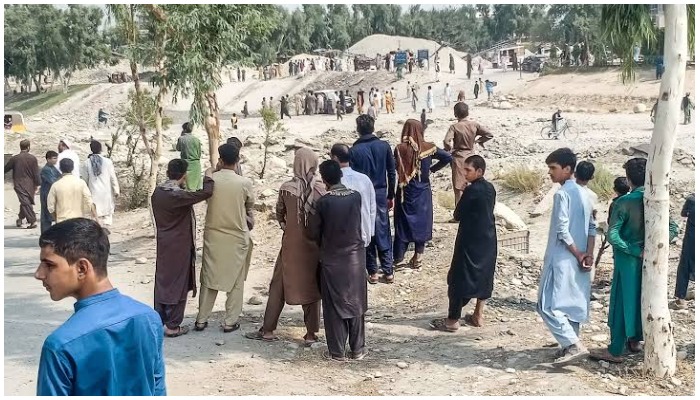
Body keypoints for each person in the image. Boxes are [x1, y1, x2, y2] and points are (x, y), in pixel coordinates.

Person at [35, 218, 166, 396]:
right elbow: (158, 389)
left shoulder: (60, 346)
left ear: (82, 268)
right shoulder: (149, 318)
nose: (39, 274)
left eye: (49, 265)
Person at [590, 158, 678, 363]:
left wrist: (634, 250)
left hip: (627, 261)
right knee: (644, 299)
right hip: (651, 262)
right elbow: (673, 229)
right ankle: (636, 342)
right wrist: (653, 249)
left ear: (628, 179)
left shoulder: (624, 202)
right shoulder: (657, 199)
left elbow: (613, 235)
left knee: (622, 301)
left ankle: (615, 350)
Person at [245, 148, 325, 344]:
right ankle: (311, 333)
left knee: (278, 286)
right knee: (312, 288)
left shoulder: (286, 188)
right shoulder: (322, 189)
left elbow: (280, 214)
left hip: (290, 245)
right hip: (314, 247)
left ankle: (268, 330)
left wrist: (289, 228)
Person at [537, 148, 597, 366]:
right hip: (579, 256)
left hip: (561, 256)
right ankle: (569, 346)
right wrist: (587, 253)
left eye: (553, 168)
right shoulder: (586, 194)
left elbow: (562, 231)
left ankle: (572, 345)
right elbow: (592, 227)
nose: (550, 173)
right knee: (571, 304)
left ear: (568, 169)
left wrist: (578, 252)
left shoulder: (562, 194)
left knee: (546, 305)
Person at [306, 160, 367, 361]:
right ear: (340, 176)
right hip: (356, 259)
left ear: (323, 180)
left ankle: (337, 351)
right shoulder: (355, 197)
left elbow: (312, 233)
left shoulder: (323, 202)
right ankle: (357, 349)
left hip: (332, 260)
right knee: (356, 304)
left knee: (333, 307)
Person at [430, 155, 496, 331]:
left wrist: (465, 192)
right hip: (488, 239)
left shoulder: (472, 190)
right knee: (484, 276)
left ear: (479, 171)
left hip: (469, 240)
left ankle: (452, 320)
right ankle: (478, 315)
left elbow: (458, 214)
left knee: (459, 278)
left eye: (468, 170)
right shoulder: (490, 188)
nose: (464, 173)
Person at [195, 144, 255, 333]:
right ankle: (230, 321)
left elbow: (205, 193)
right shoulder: (244, 183)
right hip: (237, 237)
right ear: (238, 161)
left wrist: (210, 170)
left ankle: (201, 319)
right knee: (236, 280)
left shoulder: (211, 180)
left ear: (220, 160)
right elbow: (249, 206)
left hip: (213, 236)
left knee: (209, 277)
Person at [151, 160, 214, 337]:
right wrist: (208, 176)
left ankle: (159, 319)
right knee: (177, 284)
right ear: (184, 175)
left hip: (163, 244)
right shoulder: (176, 196)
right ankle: (172, 325)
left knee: (163, 281)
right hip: (179, 247)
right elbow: (206, 193)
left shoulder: (158, 192)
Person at [393, 120, 452, 270]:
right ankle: (418, 257)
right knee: (422, 222)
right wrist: (431, 169)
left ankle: (399, 259)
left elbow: (395, 167)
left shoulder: (400, 149)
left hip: (405, 192)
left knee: (403, 223)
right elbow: (447, 157)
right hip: (423, 190)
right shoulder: (429, 147)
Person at [349, 115, 396, 284]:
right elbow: (392, 172)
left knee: (366, 229)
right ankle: (388, 270)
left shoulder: (354, 151)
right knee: (383, 229)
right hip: (381, 192)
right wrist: (391, 194)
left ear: (358, 129)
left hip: (362, 194)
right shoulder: (384, 146)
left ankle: (373, 272)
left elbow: (352, 177)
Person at [444, 103, 494, 210]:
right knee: (472, 186)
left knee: (458, 189)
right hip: (471, 158)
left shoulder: (454, 127)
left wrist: (449, 149)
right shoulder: (474, 125)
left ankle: (458, 214)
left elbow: (446, 141)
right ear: (468, 112)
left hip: (458, 158)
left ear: (455, 113)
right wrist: (478, 141)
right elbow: (489, 135)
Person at [331, 143, 376, 248]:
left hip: (343, 237)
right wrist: (370, 231)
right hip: (363, 234)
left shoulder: (335, 181)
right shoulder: (365, 179)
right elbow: (372, 208)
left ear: (335, 158)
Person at [83, 140, 120, 232]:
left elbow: (84, 179)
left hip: (93, 191)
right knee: (107, 213)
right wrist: (116, 190)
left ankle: (97, 230)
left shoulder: (87, 163)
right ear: (101, 149)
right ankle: (106, 229)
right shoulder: (107, 162)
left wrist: (84, 192)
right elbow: (113, 177)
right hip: (106, 191)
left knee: (95, 212)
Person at [4, 139, 40, 228]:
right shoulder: (32, 158)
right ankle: (33, 221)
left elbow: (5, 169)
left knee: (25, 202)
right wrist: (38, 183)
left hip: (19, 184)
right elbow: (36, 172)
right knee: (26, 202)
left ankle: (20, 219)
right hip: (30, 184)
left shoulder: (14, 158)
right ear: (28, 147)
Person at [48, 159, 97, 223]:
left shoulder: (56, 185)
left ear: (60, 168)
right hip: (78, 221)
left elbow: (51, 207)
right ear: (73, 168)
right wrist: (95, 218)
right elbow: (89, 201)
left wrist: (57, 219)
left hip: (62, 221)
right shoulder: (81, 183)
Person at [672, 193, 695, 309]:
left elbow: (683, 213)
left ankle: (680, 299)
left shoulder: (692, 200)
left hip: (691, 240)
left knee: (684, 268)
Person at [176, 122, 203, 191]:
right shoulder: (196, 140)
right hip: (195, 164)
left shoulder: (181, 139)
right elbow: (199, 153)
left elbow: (178, 148)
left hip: (184, 163)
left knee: (186, 187)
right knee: (196, 187)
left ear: (184, 129)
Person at [39, 151, 62, 233]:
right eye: (54, 158)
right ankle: (45, 234)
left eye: (56, 158)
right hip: (46, 194)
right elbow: (53, 181)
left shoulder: (53, 168)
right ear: (48, 159)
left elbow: (60, 176)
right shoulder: (46, 170)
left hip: (52, 194)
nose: (56, 160)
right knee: (46, 216)